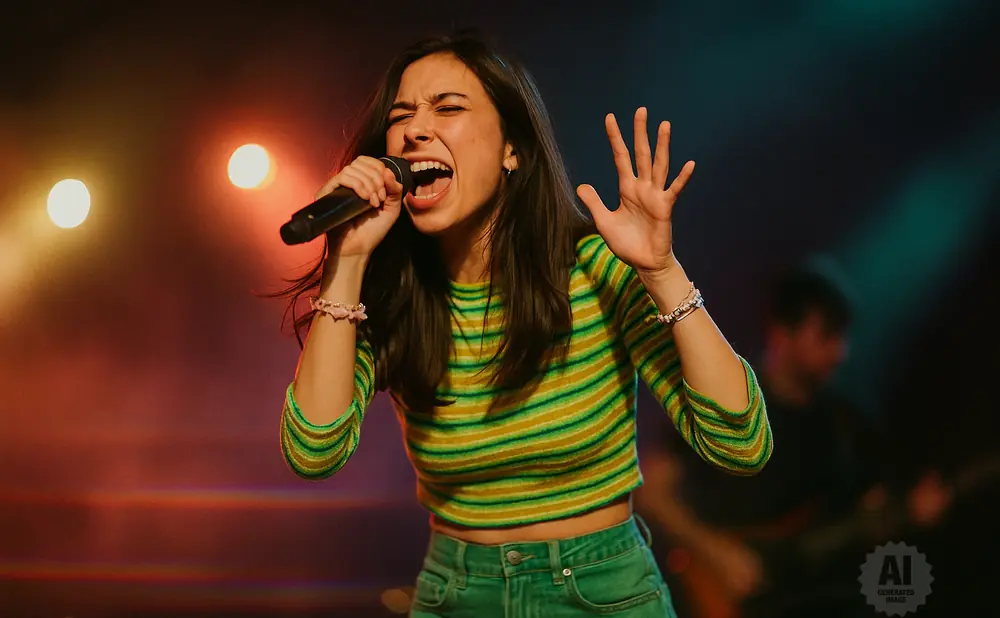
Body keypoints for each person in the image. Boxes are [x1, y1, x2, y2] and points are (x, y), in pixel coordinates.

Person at [276, 31, 772, 618]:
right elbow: (313, 453)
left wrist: (662, 272)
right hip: (457, 593)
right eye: (401, 115)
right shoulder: (388, 297)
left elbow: (741, 444)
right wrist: (348, 260)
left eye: (448, 108)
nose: (413, 129)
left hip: (602, 591)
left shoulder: (591, 271)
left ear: (512, 147)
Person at [634, 267, 952, 618]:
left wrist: (906, 513)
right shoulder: (727, 398)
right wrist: (714, 551)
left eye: (843, 336)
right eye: (827, 336)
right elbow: (652, 490)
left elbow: (864, 520)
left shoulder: (845, 420)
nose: (841, 352)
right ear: (782, 333)